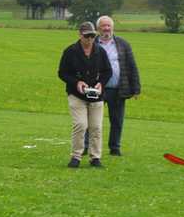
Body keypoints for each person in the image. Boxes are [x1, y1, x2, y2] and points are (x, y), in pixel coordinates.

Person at [58, 21, 112, 168]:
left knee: (96, 127)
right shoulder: (70, 51)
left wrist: (101, 83)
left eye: (92, 36)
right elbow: (62, 73)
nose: (89, 39)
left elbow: (107, 71)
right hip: (76, 95)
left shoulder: (100, 51)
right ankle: (76, 156)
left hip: (96, 95)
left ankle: (95, 158)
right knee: (80, 125)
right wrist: (77, 82)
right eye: (87, 36)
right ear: (80, 35)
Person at [84, 15, 141, 156]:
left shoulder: (123, 44)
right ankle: (85, 146)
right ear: (98, 28)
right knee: (91, 120)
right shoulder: (92, 43)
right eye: (103, 26)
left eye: (108, 25)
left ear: (113, 27)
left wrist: (136, 88)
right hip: (96, 89)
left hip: (117, 89)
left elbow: (132, 66)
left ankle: (115, 147)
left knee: (117, 120)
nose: (106, 28)